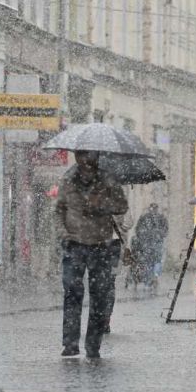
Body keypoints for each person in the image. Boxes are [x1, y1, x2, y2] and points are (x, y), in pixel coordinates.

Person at [55, 150, 129, 359]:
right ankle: (70, 343)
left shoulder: (107, 179)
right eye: (81, 156)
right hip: (74, 243)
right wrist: (63, 233)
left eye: (89, 157)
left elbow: (122, 205)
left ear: (96, 158)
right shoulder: (68, 179)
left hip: (100, 244)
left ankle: (93, 345)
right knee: (72, 292)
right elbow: (59, 209)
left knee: (100, 295)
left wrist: (103, 203)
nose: (85, 161)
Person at [129, 203, 168, 290]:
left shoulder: (159, 218)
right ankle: (151, 279)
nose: (153, 211)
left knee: (154, 262)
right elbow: (138, 230)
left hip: (154, 243)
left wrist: (158, 234)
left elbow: (165, 230)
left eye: (154, 209)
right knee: (151, 262)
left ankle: (152, 279)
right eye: (152, 209)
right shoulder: (146, 218)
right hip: (148, 244)